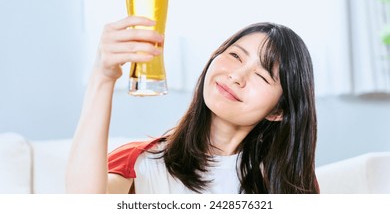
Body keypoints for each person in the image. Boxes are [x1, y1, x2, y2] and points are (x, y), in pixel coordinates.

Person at [66, 16, 320, 194]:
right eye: (234, 56)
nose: (236, 76)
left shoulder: (287, 187)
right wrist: (103, 76)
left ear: (278, 111)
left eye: (262, 75)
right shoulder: (141, 161)